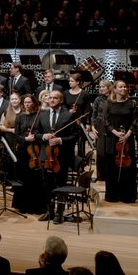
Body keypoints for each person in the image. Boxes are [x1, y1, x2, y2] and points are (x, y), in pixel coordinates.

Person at [36, 90, 80, 223]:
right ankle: (49, 211)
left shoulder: (68, 115)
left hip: (62, 156)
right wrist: (43, 136)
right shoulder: (42, 115)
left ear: (61, 100)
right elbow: (37, 133)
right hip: (46, 155)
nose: (52, 100)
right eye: (50, 98)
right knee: (47, 185)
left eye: (55, 98)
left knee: (60, 184)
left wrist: (60, 140)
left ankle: (59, 213)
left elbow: (75, 136)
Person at [104, 80, 138, 204]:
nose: (123, 88)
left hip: (127, 139)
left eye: (125, 86)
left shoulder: (131, 103)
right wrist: (116, 132)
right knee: (112, 166)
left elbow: (135, 122)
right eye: (121, 87)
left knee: (127, 167)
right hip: (113, 138)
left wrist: (127, 134)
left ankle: (127, 195)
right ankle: (112, 195)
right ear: (115, 89)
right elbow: (106, 121)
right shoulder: (109, 103)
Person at [13, 94, 45, 214]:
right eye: (25, 102)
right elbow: (16, 135)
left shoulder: (40, 116)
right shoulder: (20, 117)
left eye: (29, 102)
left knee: (35, 179)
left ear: (34, 103)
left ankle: (36, 206)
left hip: (36, 150)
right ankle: (23, 205)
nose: (26, 104)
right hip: (23, 151)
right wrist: (25, 139)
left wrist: (35, 138)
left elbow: (42, 132)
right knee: (24, 178)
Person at [89, 80, 112, 182]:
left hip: (110, 126)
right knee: (100, 152)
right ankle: (101, 175)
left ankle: (109, 175)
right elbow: (93, 114)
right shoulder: (98, 99)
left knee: (109, 151)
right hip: (99, 126)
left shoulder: (113, 98)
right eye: (100, 87)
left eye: (103, 87)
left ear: (109, 87)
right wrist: (93, 126)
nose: (101, 88)